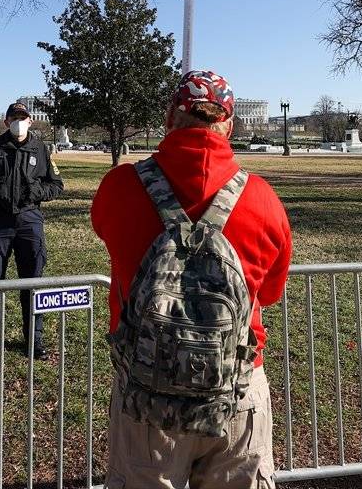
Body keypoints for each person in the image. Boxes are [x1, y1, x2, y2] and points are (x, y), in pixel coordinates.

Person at [92, 70, 292, 489]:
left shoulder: (119, 187)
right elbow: (269, 293)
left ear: (169, 118)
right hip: (235, 392)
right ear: (229, 124)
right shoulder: (263, 199)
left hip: (146, 396)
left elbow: (109, 236)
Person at [0, 101, 64, 359]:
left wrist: (37, 191)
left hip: (30, 221)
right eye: (14, 117)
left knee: (32, 282)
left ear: (30, 121)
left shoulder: (40, 149)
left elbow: (57, 185)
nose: (19, 121)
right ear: (6, 121)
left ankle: (34, 340)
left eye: (23, 117)